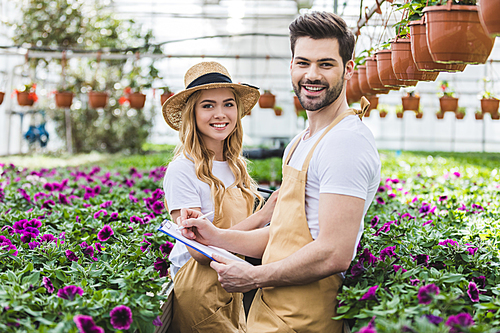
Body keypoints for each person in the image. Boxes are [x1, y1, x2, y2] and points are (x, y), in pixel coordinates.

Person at [177, 11, 381, 333]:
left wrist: (253, 277)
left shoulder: (346, 144)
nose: (312, 75)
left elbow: (333, 253)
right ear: (291, 66)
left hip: (302, 318)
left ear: (348, 69)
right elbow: (283, 235)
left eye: (325, 64)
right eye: (303, 63)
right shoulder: (301, 142)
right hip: (270, 310)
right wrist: (216, 236)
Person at [161, 61, 278, 332]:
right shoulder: (183, 169)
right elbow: (199, 251)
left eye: (228, 104)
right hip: (200, 291)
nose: (220, 114)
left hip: (232, 287)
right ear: (193, 113)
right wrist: (264, 215)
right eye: (208, 105)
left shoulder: (235, 166)